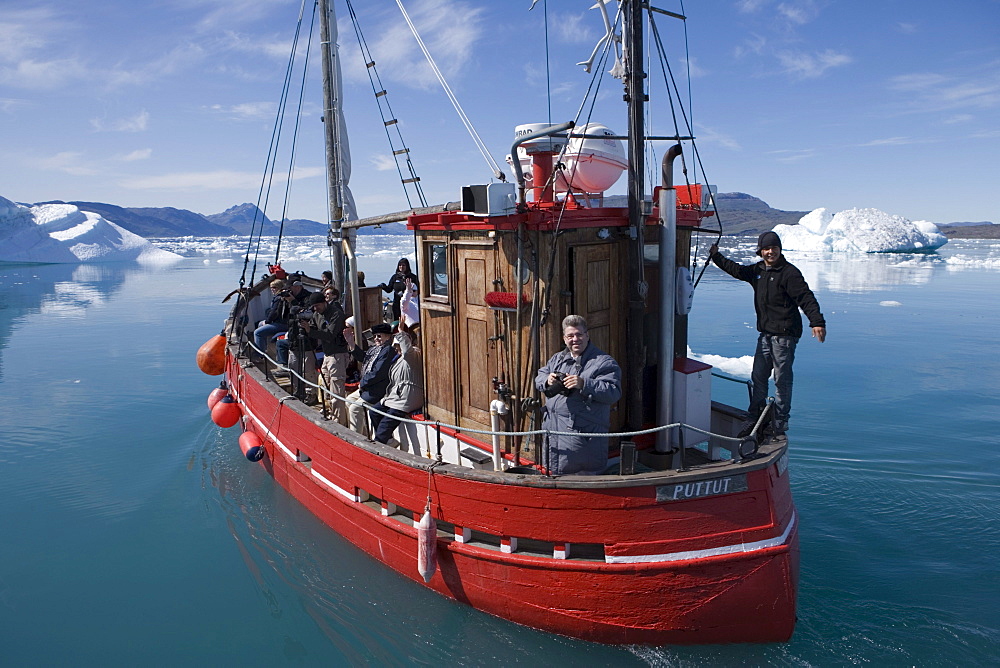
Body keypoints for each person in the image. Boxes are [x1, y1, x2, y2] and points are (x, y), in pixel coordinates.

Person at [709, 231, 826, 443]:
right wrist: (717, 257)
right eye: (766, 248)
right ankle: (756, 416)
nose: (770, 252)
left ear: (780, 250)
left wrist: (817, 322)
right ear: (761, 251)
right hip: (765, 334)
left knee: (782, 380)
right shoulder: (758, 270)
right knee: (759, 376)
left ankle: (780, 421)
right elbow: (737, 270)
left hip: (784, 336)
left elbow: (806, 297)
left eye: (774, 248)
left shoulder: (789, 273)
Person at [534, 315, 621, 475]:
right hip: (555, 441)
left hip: (583, 447)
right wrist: (548, 379)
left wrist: (584, 384)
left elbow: (613, 392)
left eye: (579, 334)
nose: (575, 339)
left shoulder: (604, 362)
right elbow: (540, 375)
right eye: (570, 336)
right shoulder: (558, 358)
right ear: (564, 338)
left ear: (587, 335)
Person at [370, 325, 424, 446]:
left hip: (408, 396)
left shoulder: (413, 355)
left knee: (386, 422)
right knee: (374, 411)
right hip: (397, 395)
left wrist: (401, 333)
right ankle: (389, 440)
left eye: (397, 346)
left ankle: (380, 443)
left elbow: (407, 350)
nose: (396, 349)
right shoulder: (400, 359)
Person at [302, 290, 350, 423]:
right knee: (325, 386)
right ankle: (330, 411)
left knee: (336, 390)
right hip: (327, 355)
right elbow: (312, 328)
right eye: (314, 307)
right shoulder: (317, 314)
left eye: (318, 305)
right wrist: (305, 326)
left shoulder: (336, 314)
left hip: (338, 355)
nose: (316, 309)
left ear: (324, 302)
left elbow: (329, 335)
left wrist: (310, 331)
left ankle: (339, 421)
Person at [344, 322, 396, 438]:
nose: (376, 339)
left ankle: (356, 439)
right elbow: (364, 357)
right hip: (368, 387)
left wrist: (362, 382)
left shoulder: (387, 350)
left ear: (388, 336)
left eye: (379, 336)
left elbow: (378, 373)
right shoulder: (375, 349)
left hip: (378, 389)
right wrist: (352, 344)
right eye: (375, 336)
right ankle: (363, 433)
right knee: (348, 401)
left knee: (355, 408)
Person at [252, 278, 289, 357]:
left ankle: (259, 355)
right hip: (281, 322)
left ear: (279, 287)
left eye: (274, 287)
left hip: (281, 324)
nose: (272, 289)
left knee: (257, 333)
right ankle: (263, 349)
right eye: (271, 288)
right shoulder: (281, 296)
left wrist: (267, 321)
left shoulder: (279, 298)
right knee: (259, 324)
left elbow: (274, 312)